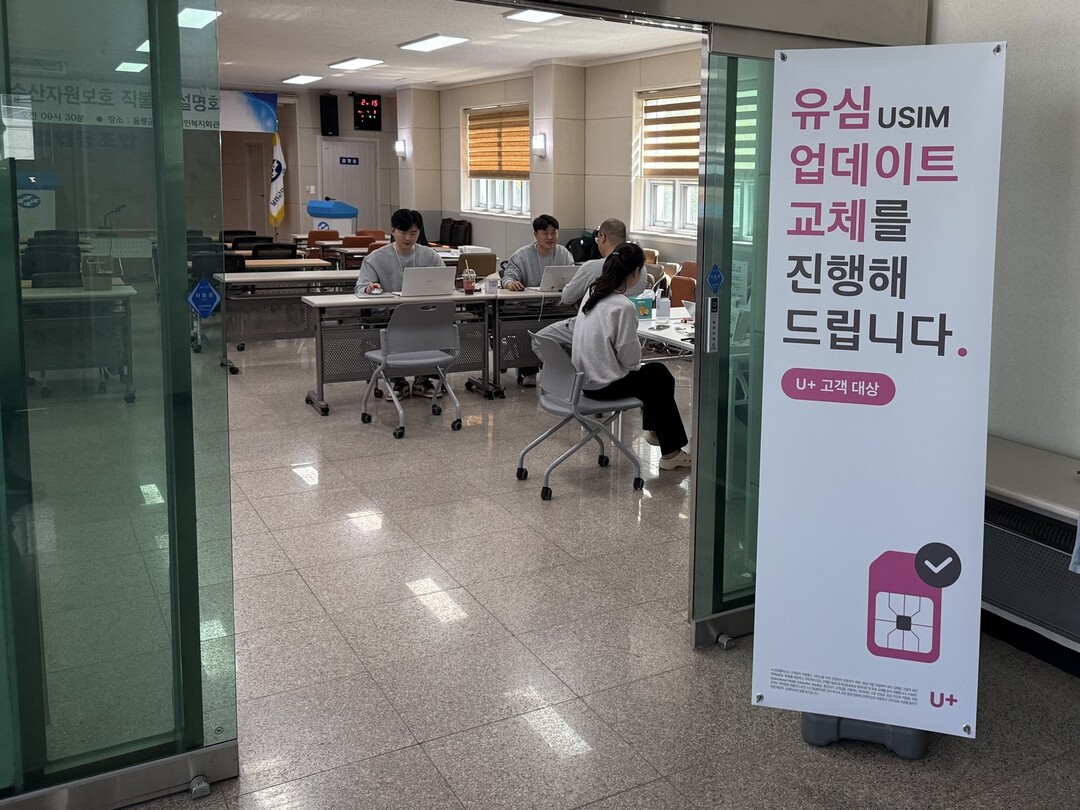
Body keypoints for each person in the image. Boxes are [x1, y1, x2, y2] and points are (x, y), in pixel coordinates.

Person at [570, 242, 692, 470]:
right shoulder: (622, 306)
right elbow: (631, 361)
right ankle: (670, 451)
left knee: (655, 375)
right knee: (659, 375)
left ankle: (658, 432)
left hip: (583, 381)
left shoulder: (592, 292)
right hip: (604, 385)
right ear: (636, 272)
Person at [355, 208, 446, 398]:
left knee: (439, 324)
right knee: (395, 330)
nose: (408, 238)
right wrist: (369, 288)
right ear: (393, 231)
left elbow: (445, 282)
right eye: (403, 232)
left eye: (413, 233)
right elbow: (360, 288)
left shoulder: (430, 255)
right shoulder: (376, 258)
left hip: (422, 313)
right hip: (389, 315)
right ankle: (398, 380)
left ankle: (423, 379)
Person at [502, 214, 575, 386]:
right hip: (528, 308)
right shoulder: (522, 255)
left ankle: (563, 369)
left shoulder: (563, 253)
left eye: (553, 233)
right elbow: (508, 276)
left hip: (557, 307)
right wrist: (510, 283)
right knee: (525, 327)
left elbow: (573, 277)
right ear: (536, 235)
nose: (550, 237)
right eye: (545, 233)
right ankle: (529, 371)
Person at [560, 218, 646, 306]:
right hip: (634, 313)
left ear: (602, 237)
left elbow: (567, 298)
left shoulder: (591, 268)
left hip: (599, 314)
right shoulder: (641, 268)